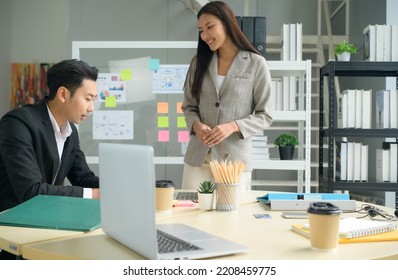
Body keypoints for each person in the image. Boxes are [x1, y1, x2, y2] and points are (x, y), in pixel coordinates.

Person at [0, 59, 100, 259]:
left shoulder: (70, 132)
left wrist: (121, 188)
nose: (91, 108)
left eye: (94, 100)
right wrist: (94, 194)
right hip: (10, 228)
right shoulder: (18, 124)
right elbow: (32, 191)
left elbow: (83, 177)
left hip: (43, 223)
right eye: (88, 99)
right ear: (63, 94)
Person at [181, 1, 273, 191]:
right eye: (201, 30)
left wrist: (233, 126)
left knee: (231, 217)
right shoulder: (198, 63)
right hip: (199, 159)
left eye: (210, 27)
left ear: (227, 23)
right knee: (190, 214)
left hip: (234, 162)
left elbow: (265, 115)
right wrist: (196, 125)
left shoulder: (256, 63)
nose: (205, 35)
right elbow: (189, 107)